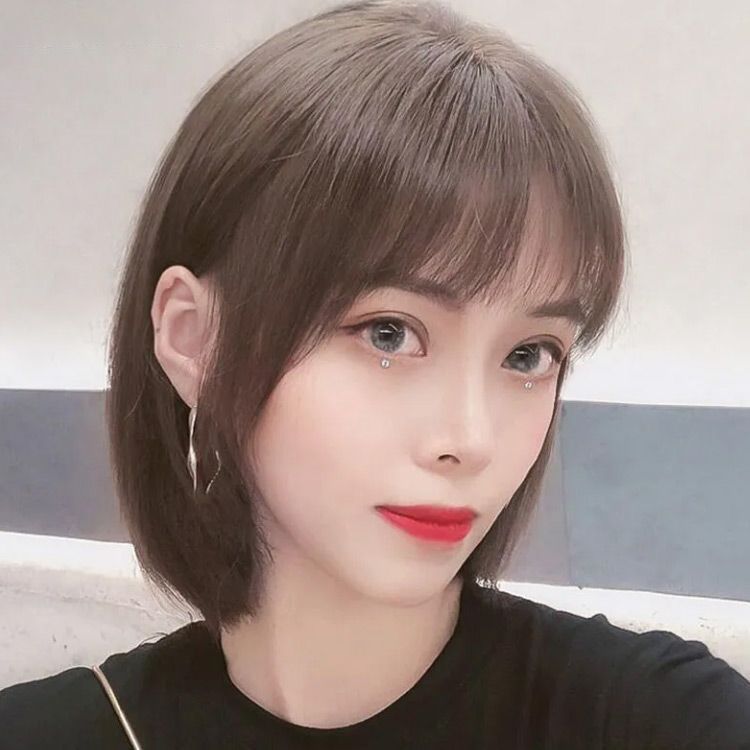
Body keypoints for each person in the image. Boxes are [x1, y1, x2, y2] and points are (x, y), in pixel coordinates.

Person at [2, 0, 749, 747]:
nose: (471, 440)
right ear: (196, 339)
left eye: (529, 355)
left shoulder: (655, 718)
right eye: (389, 333)